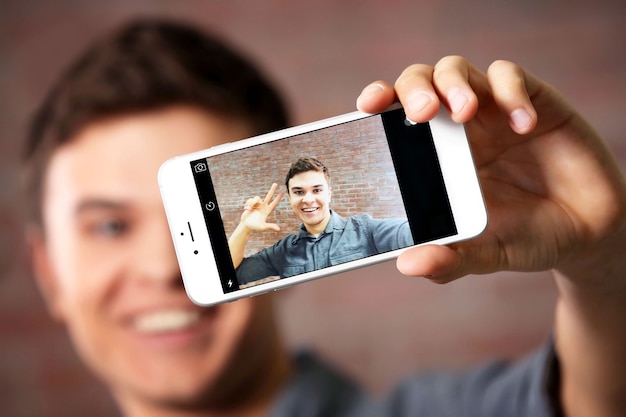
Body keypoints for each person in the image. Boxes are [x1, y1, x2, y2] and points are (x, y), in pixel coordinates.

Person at [21, 17, 626, 417]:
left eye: (177, 223)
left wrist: (604, 263)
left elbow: (593, 400)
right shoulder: (263, 249)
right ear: (47, 272)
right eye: (109, 226)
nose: (164, 268)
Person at [228, 156, 413, 285]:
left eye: (317, 190)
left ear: (329, 193)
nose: (308, 199)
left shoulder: (366, 231)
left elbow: (411, 232)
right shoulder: (283, 251)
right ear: (290, 198)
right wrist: (245, 227)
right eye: (299, 192)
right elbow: (231, 275)